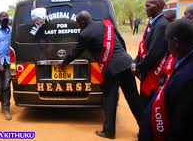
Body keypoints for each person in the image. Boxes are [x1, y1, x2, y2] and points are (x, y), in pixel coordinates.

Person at [60, 11, 143, 139]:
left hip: (111, 69)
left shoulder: (85, 34)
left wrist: (64, 63)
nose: (78, 26)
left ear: (82, 22)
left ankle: (109, 132)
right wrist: (123, 57)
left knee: (110, 99)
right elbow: (121, 40)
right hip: (126, 63)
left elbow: (76, 52)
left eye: (78, 23)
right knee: (133, 98)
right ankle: (146, 129)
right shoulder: (106, 25)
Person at [139, 19, 193, 141]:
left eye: (167, 41)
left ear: (176, 43)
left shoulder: (192, 77)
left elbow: (182, 126)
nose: (167, 45)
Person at [132, 0, 169, 108]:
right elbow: (144, 46)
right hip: (146, 70)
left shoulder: (162, 25)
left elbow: (153, 54)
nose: (145, 8)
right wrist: (135, 61)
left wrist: (137, 67)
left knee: (148, 106)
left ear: (157, 6)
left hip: (153, 74)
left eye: (148, 6)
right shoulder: (153, 22)